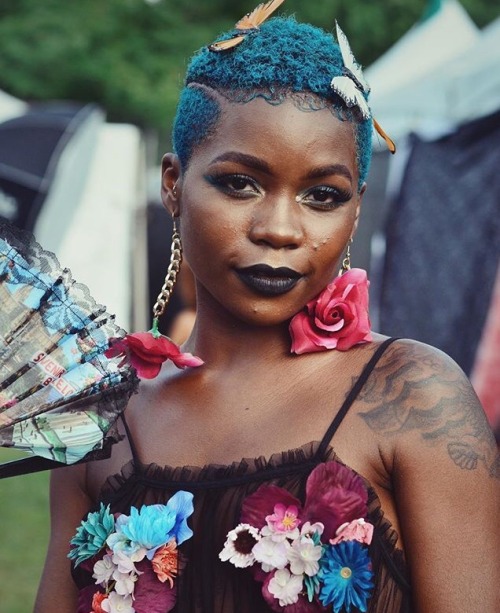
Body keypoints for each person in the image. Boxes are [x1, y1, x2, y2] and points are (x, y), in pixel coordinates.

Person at [34, 7, 499, 613]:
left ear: (355, 211)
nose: (279, 228)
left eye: (322, 196)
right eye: (239, 183)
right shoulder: (107, 425)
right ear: (173, 184)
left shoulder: (411, 398)